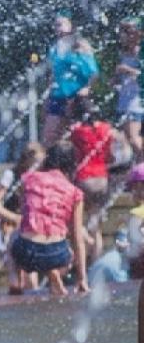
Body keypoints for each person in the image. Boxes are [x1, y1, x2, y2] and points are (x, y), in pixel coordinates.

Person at [9, 141, 90, 296]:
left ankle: (15, 279)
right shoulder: (75, 192)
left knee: (15, 235)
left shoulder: (28, 179)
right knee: (63, 246)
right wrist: (82, 279)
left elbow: (26, 216)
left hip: (27, 254)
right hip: (58, 256)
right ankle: (56, 277)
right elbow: (77, 238)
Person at [0, 142, 46, 293]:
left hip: (27, 230)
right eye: (36, 163)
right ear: (26, 160)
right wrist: (15, 218)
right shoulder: (11, 175)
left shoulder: (39, 177)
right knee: (18, 279)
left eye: (41, 163)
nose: (39, 166)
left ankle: (27, 310)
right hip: (6, 228)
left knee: (30, 280)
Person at [69, 98, 115, 262]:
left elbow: (72, 153)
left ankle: (84, 247)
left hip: (84, 179)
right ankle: (96, 262)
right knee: (95, 223)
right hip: (102, 179)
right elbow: (110, 155)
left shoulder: (77, 131)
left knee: (75, 221)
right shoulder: (106, 129)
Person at [44, 15, 99, 146]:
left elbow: (94, 71)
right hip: (57, 96)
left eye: (60, 24)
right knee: (50, 134)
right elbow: (53, 74)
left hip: (76, 98)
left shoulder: (79, 44)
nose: (57, 28)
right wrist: (48, 94)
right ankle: (58, 163)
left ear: (71, 26)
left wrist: (87, 88)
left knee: (75, 135)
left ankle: (73, 163)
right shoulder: (55, 48)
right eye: (55, 25)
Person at [116, 19, 143, 163]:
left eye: (126, 33)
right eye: (121, 33)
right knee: (127, 140)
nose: (122, 37)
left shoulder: (140, 52)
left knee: (133, 138)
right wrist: (116, 79)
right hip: (125, 101)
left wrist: (128, 70)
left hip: (136, 102)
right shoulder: (124, 53)